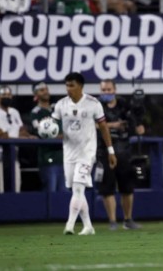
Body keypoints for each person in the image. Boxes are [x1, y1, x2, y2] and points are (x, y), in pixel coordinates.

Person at [52, 73, 116, 235]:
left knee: (79, 189)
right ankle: (88, 226)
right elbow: (53, 126)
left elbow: (103, 127)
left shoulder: (93, 104)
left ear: (80, 86)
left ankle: (69, 225)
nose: (69, 89)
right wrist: (49, 131)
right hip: (69, 154)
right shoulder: (60, 105)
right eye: (67, 85)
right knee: (76, 191)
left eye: (72, 85)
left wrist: (110, 151)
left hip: (87, 153)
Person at [97, 79, 145, 230]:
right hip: (104, 150)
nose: (106, 93)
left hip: (124, 149)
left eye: (108, 89)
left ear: (114, 90)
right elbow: (93, 124)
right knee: (108, 187)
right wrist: (113, 125)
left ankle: (128, 220)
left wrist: (138, 125)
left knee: (127, 187)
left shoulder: (124, 104)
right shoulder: (96, 105)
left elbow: (134, 121)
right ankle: (112, 221)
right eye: (103, 90)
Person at [30, 82, 66, 193]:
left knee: (65, 194)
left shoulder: (57, 108)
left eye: (46, 89)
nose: (45, 92)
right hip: (48, 158)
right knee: (51, 192)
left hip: (64, 158)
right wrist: (60, 136)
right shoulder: (36, 112)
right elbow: (40, 133)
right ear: (36, 95)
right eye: (41, 90)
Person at [0, 86, 32, 193]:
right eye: (3, 95)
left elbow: (23, 130)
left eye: (9, 95)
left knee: (16, 188)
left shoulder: (14, 112)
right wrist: (19, 136)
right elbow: (2, 135)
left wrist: (27, 136)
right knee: (0, 190)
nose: (7, 97)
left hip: (14, 157)